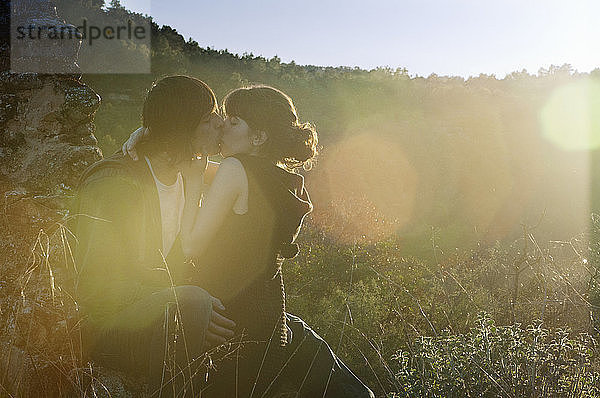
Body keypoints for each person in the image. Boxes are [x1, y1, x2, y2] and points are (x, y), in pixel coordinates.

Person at [124, 85, 375, 397]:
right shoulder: (282, 178)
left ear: (258, 137)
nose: (223, 127)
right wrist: (154, 137)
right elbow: (197, 166)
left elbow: (190, 245)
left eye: (234, 121)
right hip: (269, 310)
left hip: (230, 311)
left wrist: (185, 177)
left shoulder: (235, 168)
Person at [71, 75, 236, 397]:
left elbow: (254, 176)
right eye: (208, 118)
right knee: (195, 300)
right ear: (181, 129)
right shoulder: (115, 184)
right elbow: (99, 289)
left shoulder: (189, 171)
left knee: (281, 325)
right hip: (111, 327)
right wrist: (183, 300)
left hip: (161, 310)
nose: (219, 123)